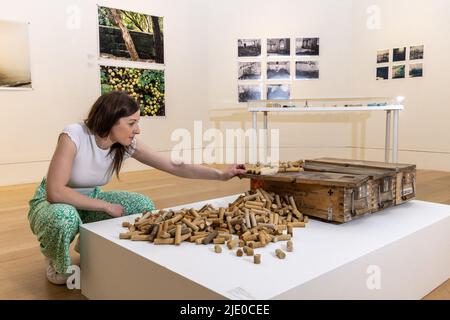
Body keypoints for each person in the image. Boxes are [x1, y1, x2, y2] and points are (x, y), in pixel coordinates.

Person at [28, 91, 246, 285]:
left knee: (142, 205)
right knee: (64, 216)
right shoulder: (74, 135)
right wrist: (104, 205)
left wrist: (221, 175)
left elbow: (173, 165)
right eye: (132, 123)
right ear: (111, 120)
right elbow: (55, 192)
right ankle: (55, 260)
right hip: (52, 204)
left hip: (89, 199)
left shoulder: (125, 143)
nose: (138, 130)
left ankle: (89, 249)